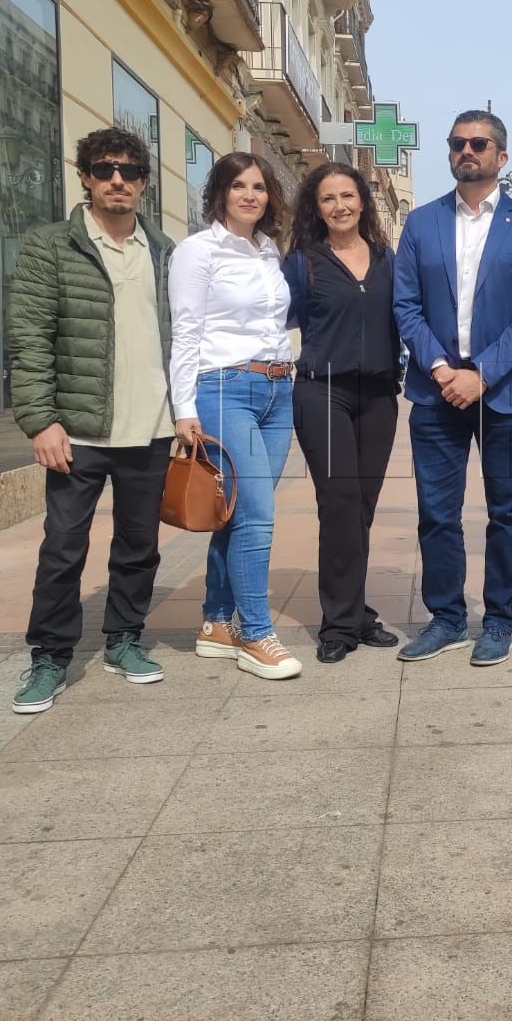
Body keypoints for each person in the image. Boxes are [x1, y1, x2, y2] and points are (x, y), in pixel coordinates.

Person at [8, 127, 174, 713]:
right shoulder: (51, 246)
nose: (117, 180)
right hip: (76, 430)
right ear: (85, 176)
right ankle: (50, 656)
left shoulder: (164, 251)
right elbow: (29, 339)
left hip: (152, 427)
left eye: (129, 171)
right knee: (62, 547)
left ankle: (124, 639)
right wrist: (40, 421)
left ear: (144, 182)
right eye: (104, 169)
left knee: (139, 545)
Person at [392, 109, 512, 667]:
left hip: (504, 392)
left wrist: (481, 374)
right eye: (458, 142)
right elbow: (405, 306)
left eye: (479, 144)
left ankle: (499, 619)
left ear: (501, 157)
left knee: (507, 511)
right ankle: (446, 619)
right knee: (437, 512)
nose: (467, 151)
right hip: (436, 390)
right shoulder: (422, 223)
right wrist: (442, 370)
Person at [172, 152, 301, 680]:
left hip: (277, 390)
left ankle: (216, 622)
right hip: (223, 389)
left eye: (259, 187)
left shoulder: (268, 250)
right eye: (239, 186)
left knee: (237, 513)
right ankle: (256, 633)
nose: (250, 195)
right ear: (220, 193)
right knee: (258, 515)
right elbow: (185, 331)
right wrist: (183, 408)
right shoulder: (197, 252)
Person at [283, 162, 403, 664]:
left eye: (348, 196)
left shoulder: (387, 260)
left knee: (362, 507)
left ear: (362, 201)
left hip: (378, 395)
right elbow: (274, 321)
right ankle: (338, 624)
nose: (340, 206)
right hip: (321, 392)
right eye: (328, 198)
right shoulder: (302, 264)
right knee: (339, 502)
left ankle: (355, 612)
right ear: (316, 208)